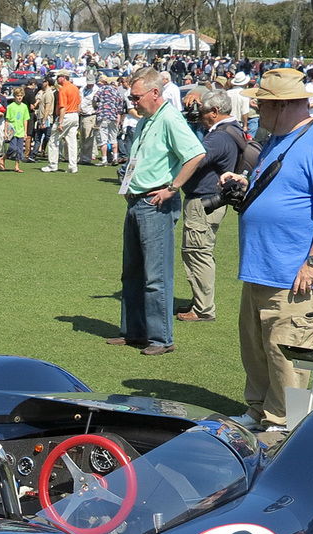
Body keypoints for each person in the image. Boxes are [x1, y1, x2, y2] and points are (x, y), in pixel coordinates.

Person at [220, 68, 313, 432]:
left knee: (289, 352)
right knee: (257, 347)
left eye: (261, 104)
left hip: (294, 269)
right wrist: (243, 182)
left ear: (281, 105)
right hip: (260, 265)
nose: (256, 110)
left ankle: (287, 424)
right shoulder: (277, 137)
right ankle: (259, 409)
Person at [107, 68, 205, 357]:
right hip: (136, 201)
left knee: (155, 275)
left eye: (136, 96)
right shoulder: (146, 120)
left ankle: (161, 338)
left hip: (156, 203)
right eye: (130, 96)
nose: (132, 102)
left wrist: (172, 188)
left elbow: (196, 153)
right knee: (132, 272)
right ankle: (134, 331)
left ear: (154, 93)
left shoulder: (170, 118)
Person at [176, 89, 244, 324]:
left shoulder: (219, 137)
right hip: (213, 200)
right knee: (199, 251)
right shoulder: (233, 130)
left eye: (202, 111)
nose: (199, 115)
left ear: (215, 112)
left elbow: (194, 156)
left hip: (204, 201)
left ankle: (203, 308)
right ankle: (200, 302)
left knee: (197, 253)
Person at [44, 70, 81, 173]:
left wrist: (60, 122)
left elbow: (63, 107)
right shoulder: (75, 88)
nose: (57, 79)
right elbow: (78, 104)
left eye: (59, 77)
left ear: (63, 77)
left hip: (66, 115)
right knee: (72, 141)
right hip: (74, 115)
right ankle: (73, 166)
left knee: (54, 140)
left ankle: (52, 165)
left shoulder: (63, 89)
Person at [1, 88, 27, 171]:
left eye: (21, 96)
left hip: (21, 131)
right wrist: (5, 131)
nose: (19, 98)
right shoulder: (11, 107)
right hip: (12, 131)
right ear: (14, 97)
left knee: (20, 150)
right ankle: (3, 158)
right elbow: (7, 120)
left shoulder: (24, 106)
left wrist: (25, 132)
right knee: (13, 148)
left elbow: (25, 120)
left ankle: (17, 166)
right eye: (18, 96)